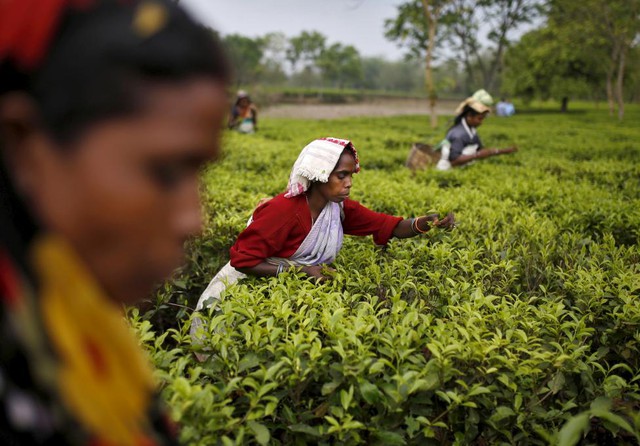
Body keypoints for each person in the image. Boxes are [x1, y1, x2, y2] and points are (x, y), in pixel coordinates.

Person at [0, 0, 230, 444]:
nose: (194, 220)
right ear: (24, 147)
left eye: (198, 172)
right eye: (163, 171)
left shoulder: (71, 327)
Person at [194, 137, 456, 314]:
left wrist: (427, 221)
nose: (349, 183)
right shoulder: (282, 211)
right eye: (341, 175)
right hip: (236, 299)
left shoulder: (338, 208)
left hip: (285, 300)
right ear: (318, 175)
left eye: (350, 175)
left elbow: (388, 226)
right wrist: (301, 272)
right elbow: (243, 261)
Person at [435, 90, 518, 171]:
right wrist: (477, 155)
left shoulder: (471, 131)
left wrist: (503, 151)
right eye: (479, 119)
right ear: (469, 116)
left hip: (462, 170)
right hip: (448, 171)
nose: (481, 122)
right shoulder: (458, 134)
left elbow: (480, 150)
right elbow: (454, 161)